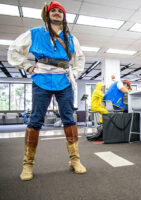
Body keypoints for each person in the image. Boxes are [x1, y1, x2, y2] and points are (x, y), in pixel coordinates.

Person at [7, 1, 86, 181]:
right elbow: (14, 49)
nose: (57, 13)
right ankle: (27, 164)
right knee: (35, 119)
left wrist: (73, 73)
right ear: (48, 14)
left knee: (68, 118)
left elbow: (80, 59)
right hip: (41, 79)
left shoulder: (71, 38)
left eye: (60, 11)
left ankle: (75, 160)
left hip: (64, 81)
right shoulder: (34, 33)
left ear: (64, 16)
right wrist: (27, 67)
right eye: (54, 10)